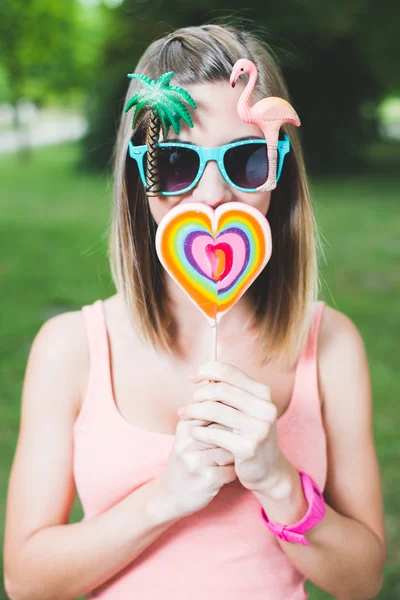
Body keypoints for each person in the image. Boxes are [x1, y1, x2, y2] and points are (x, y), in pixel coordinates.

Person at [3, 22, 386, 600]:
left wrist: (277, 482)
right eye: (176, 164)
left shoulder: (329, 343)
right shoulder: (71, 350)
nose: (210, 196)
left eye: (245, 161)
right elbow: (26, 582)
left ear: (280, 170)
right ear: (139, 177)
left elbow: (362, 581)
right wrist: (166, 497)